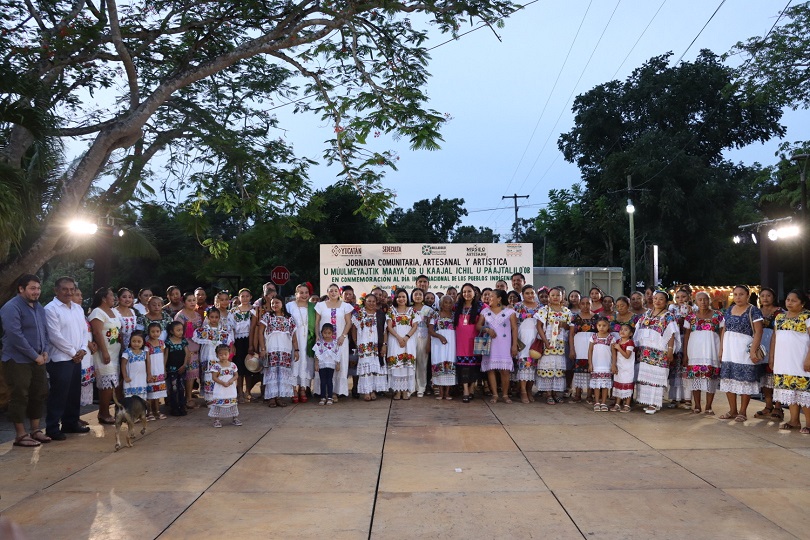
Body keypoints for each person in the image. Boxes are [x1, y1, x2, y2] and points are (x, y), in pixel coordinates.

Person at [1, 274, 51, 447]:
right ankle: (20, 435)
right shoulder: (11, 307)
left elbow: (44, 331)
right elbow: (15, 335)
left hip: (39, 359)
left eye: (38, 288)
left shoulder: (39, 307)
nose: (36, 292)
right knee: (20, 395)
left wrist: (44, 351)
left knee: (39, 393)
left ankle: (36, 430)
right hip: (17, 360)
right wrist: (34, 355)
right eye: (32, 288)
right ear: (21, 289)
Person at [44, 276, 91, 440]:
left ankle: (70, 423)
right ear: (56, 290)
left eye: (72, 289)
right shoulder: (50, 309)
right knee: (59, 394)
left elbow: (84, 330)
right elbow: (54, 336)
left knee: (73, 393)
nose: (69, 292)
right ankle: (52, 427)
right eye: (65, 289)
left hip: (77, 357)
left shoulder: (78, 308)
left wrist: (83, 349)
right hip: (60, 358)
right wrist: (73, 352)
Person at [718, 285, 764, 422]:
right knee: (728, 378)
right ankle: (732, 410)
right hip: (729, 349)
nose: (738, 297)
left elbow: (758, 332)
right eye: (736, 294)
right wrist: (721, 349)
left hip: (744, 349)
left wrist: (753, 350)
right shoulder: (729, 309)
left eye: (741, 294)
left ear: (747, 295)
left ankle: (742, 412)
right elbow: (724, 330)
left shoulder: (753, 311)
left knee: (745, 379)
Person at [633, 290, 680, 414]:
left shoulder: (668, 315)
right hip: (645, 351)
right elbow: (638, 330)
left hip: (660, 352)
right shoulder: (647, 313)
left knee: (657, 377)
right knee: (645, 376)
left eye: (661, 299)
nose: (657, 301)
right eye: (655, 299)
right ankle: (647, 401)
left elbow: (671, 334)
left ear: (666, 302)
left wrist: (670, 351)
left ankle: (655, 404)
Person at [770, 290, 810, 432]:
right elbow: (775, 337)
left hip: (801, 360)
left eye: (794, 300)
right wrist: (772, 357)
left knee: (803, 392)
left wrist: (808, 359)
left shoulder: (807, 317)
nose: (789, 302)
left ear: (803, 303)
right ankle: (794, 421)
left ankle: (809, 423)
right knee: (789, 390)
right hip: (783, 361)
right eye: (788, 299)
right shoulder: (779, 317)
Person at [682, 291, 724, 415]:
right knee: (695, 379)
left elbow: (722, 333)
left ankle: (709, 407)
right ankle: (697, 406)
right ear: (695, 302)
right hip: (694, 352)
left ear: (709, 300)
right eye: (700, 299)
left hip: (712, 351)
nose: (703, 302)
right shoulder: (690, 317)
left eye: (705, 299)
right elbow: (686, 336)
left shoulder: (718, 315)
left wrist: (722, 350)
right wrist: (685, 354)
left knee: (711, 379)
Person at [477, 289, 518, 404]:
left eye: (491, 296)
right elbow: (478, 326)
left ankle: (505, 394)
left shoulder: (510, 312)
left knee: (505, 370)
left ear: (499, 298)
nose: (489, 298)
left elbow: (514, 328)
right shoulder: (485, 311)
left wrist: (514, 345)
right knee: (491, 369)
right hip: (490, 344)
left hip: (505, 344)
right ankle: (494, 394)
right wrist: (487, 329)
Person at [89, 287, 122, 424]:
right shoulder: (97, 312)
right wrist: (104, 351)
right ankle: (103, 413)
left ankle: (110, 411)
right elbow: (97, 333)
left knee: (114, 382)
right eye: (111, 296)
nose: (114, 298)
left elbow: (115, 329)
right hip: (104, 353)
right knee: (107, 384)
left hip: (115, 352)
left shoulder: (113, 311)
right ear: (103, 298)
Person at [314, 284, 353, 401]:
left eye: (336, 290)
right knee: (324, 364)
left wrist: (343, 336)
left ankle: (336, 392)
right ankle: (323, 393)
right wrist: (317, 336)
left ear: (339, 293)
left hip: (340, 342)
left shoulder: (345, 306)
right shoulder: (320, 306)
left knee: (338, 365)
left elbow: (348, 323)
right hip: (324, 341)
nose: (333, 293)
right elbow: (317, 323)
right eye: (331, 291)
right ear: (327, 292)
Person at [535, 286, 572, 404]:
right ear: (549, 297)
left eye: (558, 295)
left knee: (558, 368)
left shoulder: (566, 311)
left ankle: (557, 393)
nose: (555, 297)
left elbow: (570, 327)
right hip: (548, 342)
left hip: (560, 344)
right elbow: (539, 326)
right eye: (553, 295)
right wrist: (545, 341)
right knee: (548, 367)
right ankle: (548, 393)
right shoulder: (544, 310)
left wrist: (563, 325)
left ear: (562, 297)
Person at [259, 297, 297, 407]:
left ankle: (279, 397)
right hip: (271, 349)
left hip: (285, 350)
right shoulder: (267, 317)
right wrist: (262, 348)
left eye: (277, 302)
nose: (275, 305)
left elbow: (294, 336)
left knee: (282, 373)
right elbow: (260, 333)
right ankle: (271, 398)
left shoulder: (289, 318)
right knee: (272, 373)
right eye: (272, 303)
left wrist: (297, 350)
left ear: (282, 303)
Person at [755, 287, 785, 420]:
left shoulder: (780, 312)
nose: (765, 298)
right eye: (762, 296)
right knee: (764, 377)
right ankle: (768, 405)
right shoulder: (755, 312)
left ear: (773, 297)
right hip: (760, 347)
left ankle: (778, 407)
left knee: (776, 377)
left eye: (768, 296)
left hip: (776, 346)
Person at [194, 307, 234, 405]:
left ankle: (219, 396)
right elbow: (195, 336)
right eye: (212, 317)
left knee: (220, 374)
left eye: (216, 317)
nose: (214, 319)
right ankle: (209, 399)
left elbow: (228, 340)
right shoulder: (204, 330)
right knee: (209, 375)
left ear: (219, 318)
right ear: (207, 317)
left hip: (219, 356)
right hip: (208, 355)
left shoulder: (223, 330)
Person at [386, 288, 418, 400]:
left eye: (403, 296)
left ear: (407, 298)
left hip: (408, 341)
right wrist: (399, 338)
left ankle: (405, 390)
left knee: (406, 365)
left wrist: (406, 337)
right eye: (399, 297)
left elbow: (415, 326)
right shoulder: (391, 310)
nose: (401, 299)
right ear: (396, 298)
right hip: (395, 340)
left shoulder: (412, 310)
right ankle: (397, 391)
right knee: (396, 365)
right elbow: (389, 326)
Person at [286, 284, 315, 404]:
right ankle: (293, 389)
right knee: (295, 362)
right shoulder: (289, 306)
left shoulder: (313, 307)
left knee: (306, 363)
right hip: (294, 338)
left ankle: (303, 388)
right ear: (296, 294)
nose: (304, 295)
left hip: (308, 339)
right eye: (301, 293)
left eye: (306, 292)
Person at [455, 283, 483, 403]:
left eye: (469, 291)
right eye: (464, 291)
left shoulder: (481, 306)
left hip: (475, 340)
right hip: (460, 341)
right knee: (463, 366)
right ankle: (465, 390)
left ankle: (471, 388)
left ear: (474, 293)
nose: (466, 294)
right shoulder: (456, 306)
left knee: (475, 366)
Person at [353, 293, 383, 401]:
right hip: (364, 344)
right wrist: (356, 341)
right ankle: (366, 391)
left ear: (376, 302)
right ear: (365, 302)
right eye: (369, 301)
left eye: (373, 301)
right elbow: (354, 328)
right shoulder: (359, 313)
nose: (371, 303)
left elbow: (383, 330)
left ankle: (373, 390)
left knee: (374, 366)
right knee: (365, 367)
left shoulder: (379, 314)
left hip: (375, 344)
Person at [512, 285, 540, 403]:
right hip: (522, 338)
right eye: (527, 293)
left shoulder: (541, 307)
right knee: (524, 365)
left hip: (536, 338)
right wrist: (514, 342)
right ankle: (523, 391)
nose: (530, 295)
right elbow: (514, 324)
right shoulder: (518, 306)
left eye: (532, 293)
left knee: (533, 365)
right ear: (523, 294)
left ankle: (529, 390)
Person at [174, 292, 202, 409]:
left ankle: (188, 396)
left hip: (196, 348)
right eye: (189, 300)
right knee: (186, 374)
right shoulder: (180, 316)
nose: (192, 302)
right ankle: (186, 399)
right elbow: (177, 333)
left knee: (192, 375)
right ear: (184, 302)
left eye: (193, 300)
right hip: (185, 348)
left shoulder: (198, 316)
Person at [73, 287, 97, 411]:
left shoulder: (81, 312)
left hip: (88, 353)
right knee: (76, 387)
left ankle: (80, 414)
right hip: (79, 351)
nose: (81, 298)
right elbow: (77, 333)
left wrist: (92, 343)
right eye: (77, 295)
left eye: (81, 294)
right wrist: (88, 343)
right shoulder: (72, 312)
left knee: (84, 386)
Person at [569, 297, 597, 403]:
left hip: (592, 346)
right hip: (579, 345)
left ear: (591, 305)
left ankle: (590, 395)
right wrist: (571, 349)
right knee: (578, 370)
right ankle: (578, 393)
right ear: (579, 305)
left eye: (588, 303)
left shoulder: (597, 317)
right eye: (583, 303)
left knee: (591, 370)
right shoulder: (575, 318)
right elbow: (571, 334)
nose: (585, 306)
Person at [428, 295, 456, 400]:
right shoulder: (435, 315)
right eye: (445, 302)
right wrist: (439, 336)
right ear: (441, 303)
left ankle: (447, 392)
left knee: (450, 362)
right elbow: (430, 330)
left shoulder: (454, 315)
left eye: (450, 303)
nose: (448, 305)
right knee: (439, 362)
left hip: (451, 343)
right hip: (438, 343)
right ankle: (440, 392)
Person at [208, 344, 242, 427]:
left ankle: (235, 418)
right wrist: (222, 383)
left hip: (230, 388)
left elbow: (236, 375)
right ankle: (216, 420)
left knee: (233, 403)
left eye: (225, 354)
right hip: (220, 388)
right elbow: (214, 377)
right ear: (217, 355)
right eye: (220, 354)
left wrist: (231, 381)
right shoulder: (216, 366)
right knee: (218, 404)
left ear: (229, 353)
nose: (223, 356)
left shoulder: (232, 365)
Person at [588, 317, 614, 412]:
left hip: (606, 365)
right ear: (596, 326)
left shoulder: (611, 338)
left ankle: (603, 402)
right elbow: (590, 351)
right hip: (596, 365)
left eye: (604, 325)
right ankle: (597, 402)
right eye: (599, 325)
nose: (602, 327)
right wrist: (590, 364)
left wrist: (613, 364)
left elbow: (613, 353)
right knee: (597, 385)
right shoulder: (593, 337)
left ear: (608, 326)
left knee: (605, 385)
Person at [165, 321, 190, 416]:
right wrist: (164, 368)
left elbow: (187, 354)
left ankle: (182, 406)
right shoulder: (168, 342)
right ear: (171, 331)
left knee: (181, 388)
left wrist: (184, 365)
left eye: (181, 330)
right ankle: (174, 407)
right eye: (178, 330)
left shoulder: (183, 341)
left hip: (182, 368)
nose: (180, 332)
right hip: (172, 369)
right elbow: (166, 356)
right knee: (174, 388)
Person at [145, 322, 168, 420]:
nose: (155, 333)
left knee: (158, 392)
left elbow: (163, 356)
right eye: (153, 331)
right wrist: (149, 373)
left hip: (160, 370)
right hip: (152, 371)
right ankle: (149, 412)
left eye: (157, 331)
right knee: (151, 393)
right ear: (149, 332)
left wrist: (164, 369)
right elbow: (147, 360)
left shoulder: (162, 343)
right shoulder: (147, 345)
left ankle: (157, 411)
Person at [313, 324, 340, 405]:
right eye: (325, 333)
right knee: (323, 381)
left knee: (329, 381)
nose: (327, 335)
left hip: (331, 365)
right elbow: (317, 355)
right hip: (322, 365)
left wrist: (338, 364)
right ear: (321, 333)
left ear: (332, 333)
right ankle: (323, 397)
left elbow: (337, 354)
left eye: (329, 333)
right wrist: (316, 364)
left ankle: (330, 397)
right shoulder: (319, 343)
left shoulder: (335, 343)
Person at [611, 323, 635, 412]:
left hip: (627, 368)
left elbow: (627, 356)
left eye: (626, 330)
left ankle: (627, 404)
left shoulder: (630, 342)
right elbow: (614, 354)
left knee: (626, 384)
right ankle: (617, 403)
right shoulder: (617, 341)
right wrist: (614, 365)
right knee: (618, 385)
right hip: (619, 367)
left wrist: (619, 348)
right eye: (621, 329)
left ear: (631, 334)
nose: (622, 331)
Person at [411, 288, 431, 397]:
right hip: (410, 339)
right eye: (416, 294)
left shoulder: (428, 310)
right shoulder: (408, 309)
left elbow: (432, 327)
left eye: (420, 294)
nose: (418, 296)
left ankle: (421, 388)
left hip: (423, 338)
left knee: (422, 364)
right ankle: (411, 387)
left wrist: (429, 342)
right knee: (410, 363)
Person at [121, 330, 149, 400]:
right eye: (134, 341)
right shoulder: (127, 352)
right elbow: (123, 365)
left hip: (141, 380)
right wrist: (125, 376)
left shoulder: (144, 353)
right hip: (130, 380)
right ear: (130, 341)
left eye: (139, 341)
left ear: (143, 343)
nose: (136, 344)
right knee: (130, 400)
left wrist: (148, 375)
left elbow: (147, 365)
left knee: (142, 400)